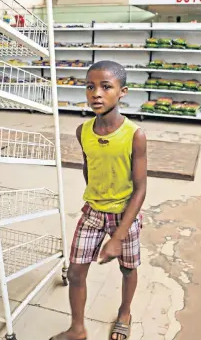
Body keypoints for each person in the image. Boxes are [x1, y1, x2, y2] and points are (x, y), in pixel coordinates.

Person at [50, 61, 147, 340]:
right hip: (92, 212)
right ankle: (77, 328)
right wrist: (97, 197)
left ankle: (125, 312)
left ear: (122, 92)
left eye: (106, 87)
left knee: (128, 268)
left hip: (124, 215)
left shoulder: (134, 135)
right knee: (76, 272)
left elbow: (140, 189)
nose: (96, 94)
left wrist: (118, 236)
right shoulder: (83, 132)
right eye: (90, 87)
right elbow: (87, 167)